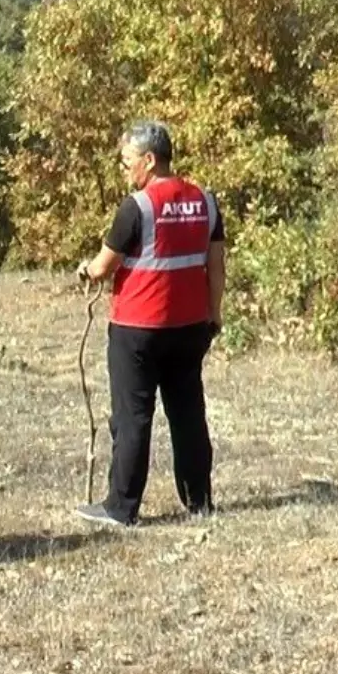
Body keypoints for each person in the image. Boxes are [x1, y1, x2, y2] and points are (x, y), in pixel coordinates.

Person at [74, 120, 226, 527]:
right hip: (191, 327)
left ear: (149, 160)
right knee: (189, 414)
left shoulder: (137, 207)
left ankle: (121, 508)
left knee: (133, 416)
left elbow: (105, 266)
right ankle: (199, 501)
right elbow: (216, 267)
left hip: (138, 329)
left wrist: (85, 271)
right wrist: (214, 317)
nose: (124, 171)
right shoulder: (206, 202)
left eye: (127, 163)